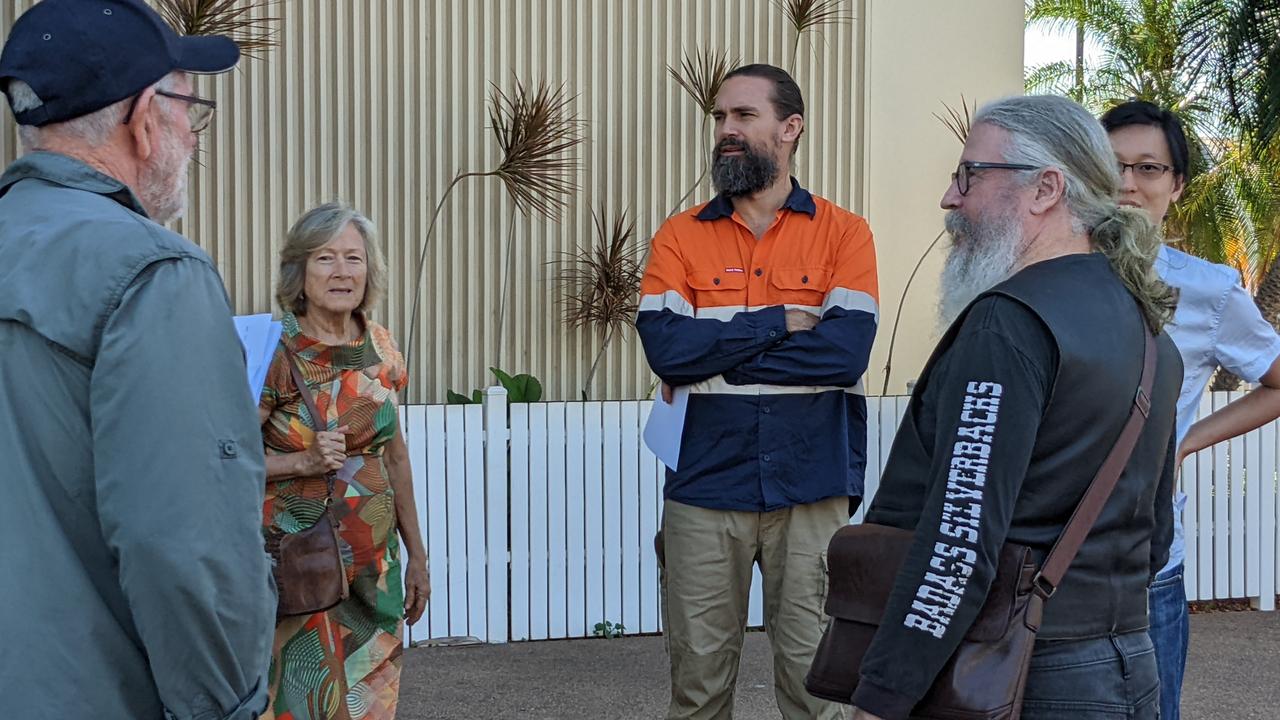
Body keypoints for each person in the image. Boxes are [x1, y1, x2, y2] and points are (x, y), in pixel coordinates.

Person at [846, 95, 1182, 720]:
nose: (952, 198)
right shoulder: (1148, 330)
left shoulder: (1009, 324)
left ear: (1045, 189)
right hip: (1129, 665)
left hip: (1023, 673)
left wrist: (884, 695)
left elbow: (959, 542)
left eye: (969, 174)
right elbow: (1154, 535)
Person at [0, 1, 275, 718]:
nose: (191, 134)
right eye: (191, 109)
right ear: (147, 117)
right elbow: (185, 550)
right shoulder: (152, 272)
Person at [637, 62, 879, 719]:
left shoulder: (844, 233)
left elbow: (842, 352)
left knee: (816, 690)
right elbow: (666, 349)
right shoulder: (679, 235)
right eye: (720, 118)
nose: (726, 130)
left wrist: (715, 361)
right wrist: (778, 322)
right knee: (698, 691)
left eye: (744, 116)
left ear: (790, 128)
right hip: (705, 488)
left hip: (811, 486)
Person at [1102, 99, 1280, 720]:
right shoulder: (1043, 270)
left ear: (1176, 185)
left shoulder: (1207, 290)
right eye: (1112, 165)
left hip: (1148, 563)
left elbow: (1277, 381)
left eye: (1148, 169)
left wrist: (1184, 443)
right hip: (1035, 560)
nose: (1127, 184)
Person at [259, 202, 430, 719]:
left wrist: (417, 555)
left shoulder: (382, 347)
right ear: (299, 272)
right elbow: (222, 460)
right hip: (299, 565)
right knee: (301, 702)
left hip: (373, 569)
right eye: (325, 258)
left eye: (353, 259)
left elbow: (395, 455)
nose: (342, 272)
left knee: (371, 701)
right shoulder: (275, 350)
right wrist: (301, 463)